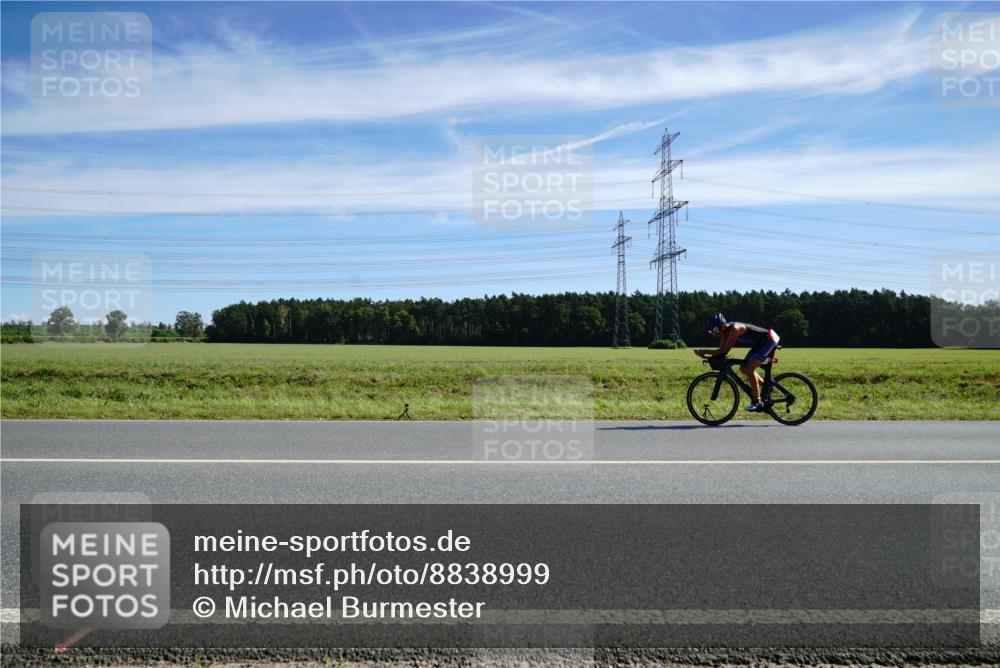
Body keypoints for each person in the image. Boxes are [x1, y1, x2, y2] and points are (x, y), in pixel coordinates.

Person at [693, 313, 780, 412]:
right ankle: (767, 387)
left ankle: (757, 401)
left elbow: (725, 350)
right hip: (761, 343)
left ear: (721, 326)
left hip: (769, 339)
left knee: (749, 368)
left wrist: (705, 351)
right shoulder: (724, 332)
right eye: (712, 332)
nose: (715, 334)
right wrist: (709, 356)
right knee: (743, 368)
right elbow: (721, 350)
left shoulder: (735, 329)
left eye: (715, 330)